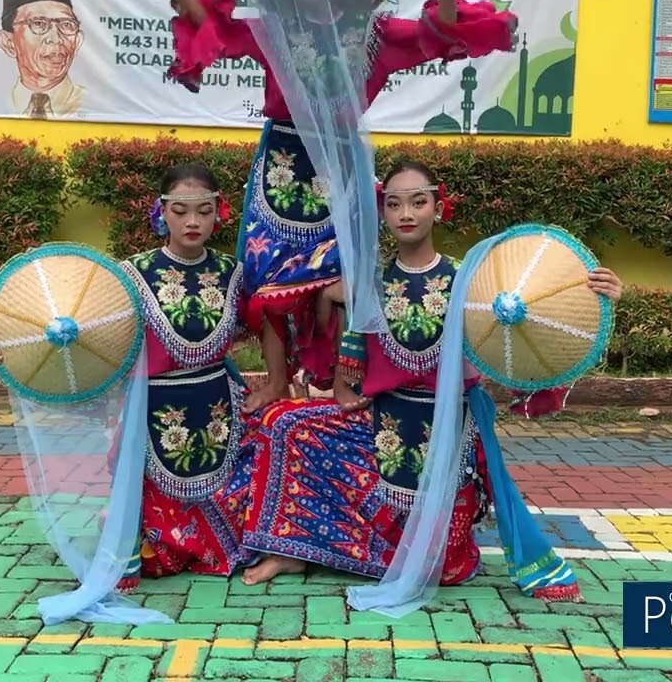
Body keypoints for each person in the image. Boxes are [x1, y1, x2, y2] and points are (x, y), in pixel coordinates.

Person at [238, 160, 623, 596]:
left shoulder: (471, 281)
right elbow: (345, 357)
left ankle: (365, 552)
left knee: (444, 567)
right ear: (383, 214)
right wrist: (329, 308)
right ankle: (295, 550)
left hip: (448, 434)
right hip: (382, 422)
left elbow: (536, 319)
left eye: (418, 202)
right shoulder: (370, 282)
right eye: (395, 204)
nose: (406, 213)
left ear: (438, 209)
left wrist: (591, 298)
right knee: (283, 423)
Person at [161, 0, 519, 413]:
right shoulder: (271, 29)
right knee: (267, 278)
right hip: (283, 165)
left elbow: (444, 32)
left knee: (347, 280)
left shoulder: (376, 32)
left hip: (342, 168)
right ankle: (276, 381)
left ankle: (344, 381)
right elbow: (207, 24)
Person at [0, 164, 257, 588]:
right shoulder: (129, 276)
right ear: (161, 212)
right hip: (153, 407)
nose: (192, 221)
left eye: (203, 210)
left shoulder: (232, 272)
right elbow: (80, 330)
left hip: (220, 401)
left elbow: (270, 324)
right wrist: (13, 350)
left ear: (218, 212)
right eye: (180, 210)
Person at [0, 0, 86, 119]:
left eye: (66, 25)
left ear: (77, 41)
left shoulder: (89, 103)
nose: (56, 39)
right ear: (9, 43)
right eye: (38, 23)